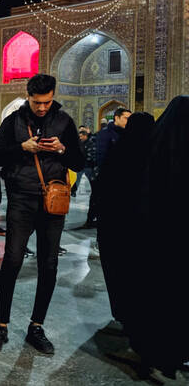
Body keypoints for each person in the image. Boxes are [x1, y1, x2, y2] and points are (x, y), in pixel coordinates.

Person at [0, 74, 83, 354]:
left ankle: (36, 326)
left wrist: (62, 149)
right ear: (28, 96)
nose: (41, 108)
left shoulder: (64, 121)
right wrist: (21, 148)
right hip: (21, 200)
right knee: (12, 261)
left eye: (47, 102)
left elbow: (79, 161)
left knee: (48, 265)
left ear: (53, 97)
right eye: (37, 102)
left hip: (52, 201)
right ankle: (1, 325)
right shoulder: (13, 121)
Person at [124, 97, 189, 378]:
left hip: (153, 240)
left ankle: (150, 351)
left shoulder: (151, 150)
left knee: (154, 298)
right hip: (179, 243)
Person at [95, 112, 153, 327]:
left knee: (119, 272)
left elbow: (103, 187)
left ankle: (122, 314)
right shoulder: (155, 153)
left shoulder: (119, 151)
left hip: (114, 226)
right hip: (141, 227)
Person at [96, 107, 131, 173]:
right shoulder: (105, 133)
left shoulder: (128, 133)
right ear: (117, 118)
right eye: (126, 118)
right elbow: (102, 157)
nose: (129, 121)